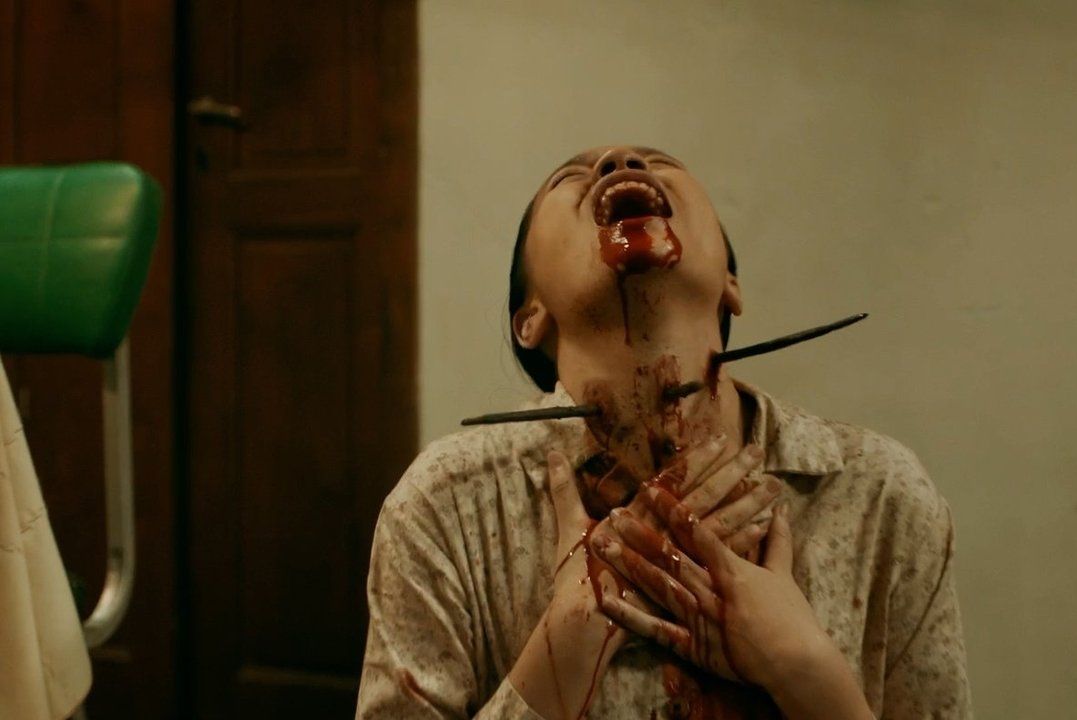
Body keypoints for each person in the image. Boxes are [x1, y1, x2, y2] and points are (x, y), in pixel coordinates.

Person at [356, 145, 971, 719]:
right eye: (571, 176)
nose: (620, 160)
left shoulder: (878, 493)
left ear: (731, 286)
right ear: (530, 318)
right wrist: (566, 645)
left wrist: (806, 669)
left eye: (659, 161)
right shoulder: (448, 503)